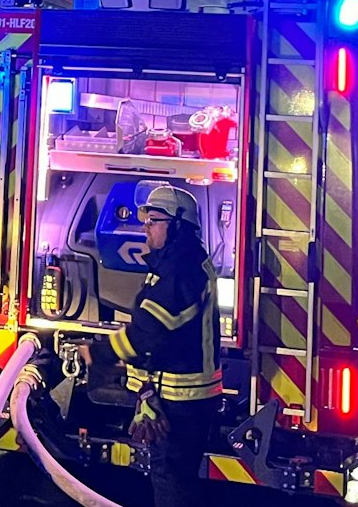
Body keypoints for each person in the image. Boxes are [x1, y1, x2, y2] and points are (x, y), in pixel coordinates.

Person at [107, 184, 222, 507]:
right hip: (175, 396)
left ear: (178, 225)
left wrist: (100, 354)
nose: (146, 228)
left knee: (172, 480)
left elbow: (150, 331)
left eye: (154, 220)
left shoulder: (182, 269)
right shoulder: (174, 263)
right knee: (171, 477)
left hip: (182, 401)